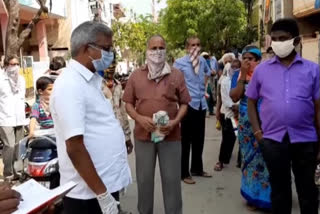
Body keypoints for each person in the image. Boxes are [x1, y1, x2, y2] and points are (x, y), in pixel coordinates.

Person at [50, 21, 131, 214]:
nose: (111, 54)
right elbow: (75, 147)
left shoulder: (91, 80)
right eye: (106, 48)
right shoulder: (70, 84)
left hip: (102, 187)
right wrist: (102, 195)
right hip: (88, 195)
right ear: (88, 48)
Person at [246, 18, 320, 214]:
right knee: (279, 192)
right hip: (272, 140)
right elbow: (251, 102)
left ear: (296, 40)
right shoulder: (261, 70)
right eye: (275, 39)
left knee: (308, 193)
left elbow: (318, 108)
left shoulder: (312, 70)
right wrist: (258, 133)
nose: (278, 42)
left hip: (305, 140)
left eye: (283, 38)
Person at [123, 35, 190, 214]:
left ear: (166, 50)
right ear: (147, 51)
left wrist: (175, 121)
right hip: (143, 136)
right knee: (144, 180)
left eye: (161, 48)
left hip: (171, 136)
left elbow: (184, 103)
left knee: (172, 180)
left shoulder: (176, 74)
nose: (157, 52)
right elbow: (128, 103)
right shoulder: (136, 76)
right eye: (153, 48)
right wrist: (139, 118)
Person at [230, 45, 271, 210]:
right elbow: (234, 96)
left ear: (258, 61)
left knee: (266, 158)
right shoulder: (238, 75)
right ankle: (252, 196)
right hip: (247, 124)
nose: (247, 61)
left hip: (266, 122)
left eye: (251, 59)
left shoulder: (266, 75)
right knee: (250, 159)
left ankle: (267, 197)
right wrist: (243, 76)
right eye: (244, 58)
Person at [173, 36, 212, 185]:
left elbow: (208, 73)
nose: (195, 47)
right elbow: (173, 83)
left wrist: (204, 89)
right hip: (187, 105)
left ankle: (197, 168)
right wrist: (179, 100)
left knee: (199, 139)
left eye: (198, 44)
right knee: (185, 141)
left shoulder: (202, 61)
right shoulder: (179, 63)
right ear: (187, 48)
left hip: (201, 104)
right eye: (192, 45)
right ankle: (184, 173)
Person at [0, 55, 26, 182]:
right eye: (12, 64)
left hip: (19, 117)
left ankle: (18, 172)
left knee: (19, 146)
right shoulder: (1, 79)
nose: (15, 67)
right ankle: (8, 174)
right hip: (5, 118)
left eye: (17, 64)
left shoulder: (21, 79)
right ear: (6, 65)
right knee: (9, 145)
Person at [214, 62, 238, 171]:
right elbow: (223, 98)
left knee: (241, 138)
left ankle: (241, 161)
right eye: (233, 67)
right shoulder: (224, 81)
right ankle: (221, 161)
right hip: (228, 114)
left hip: (241, 112)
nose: (235, 69)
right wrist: (218, 110)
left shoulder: (243, 79)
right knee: (228, 138)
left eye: (237, 67)